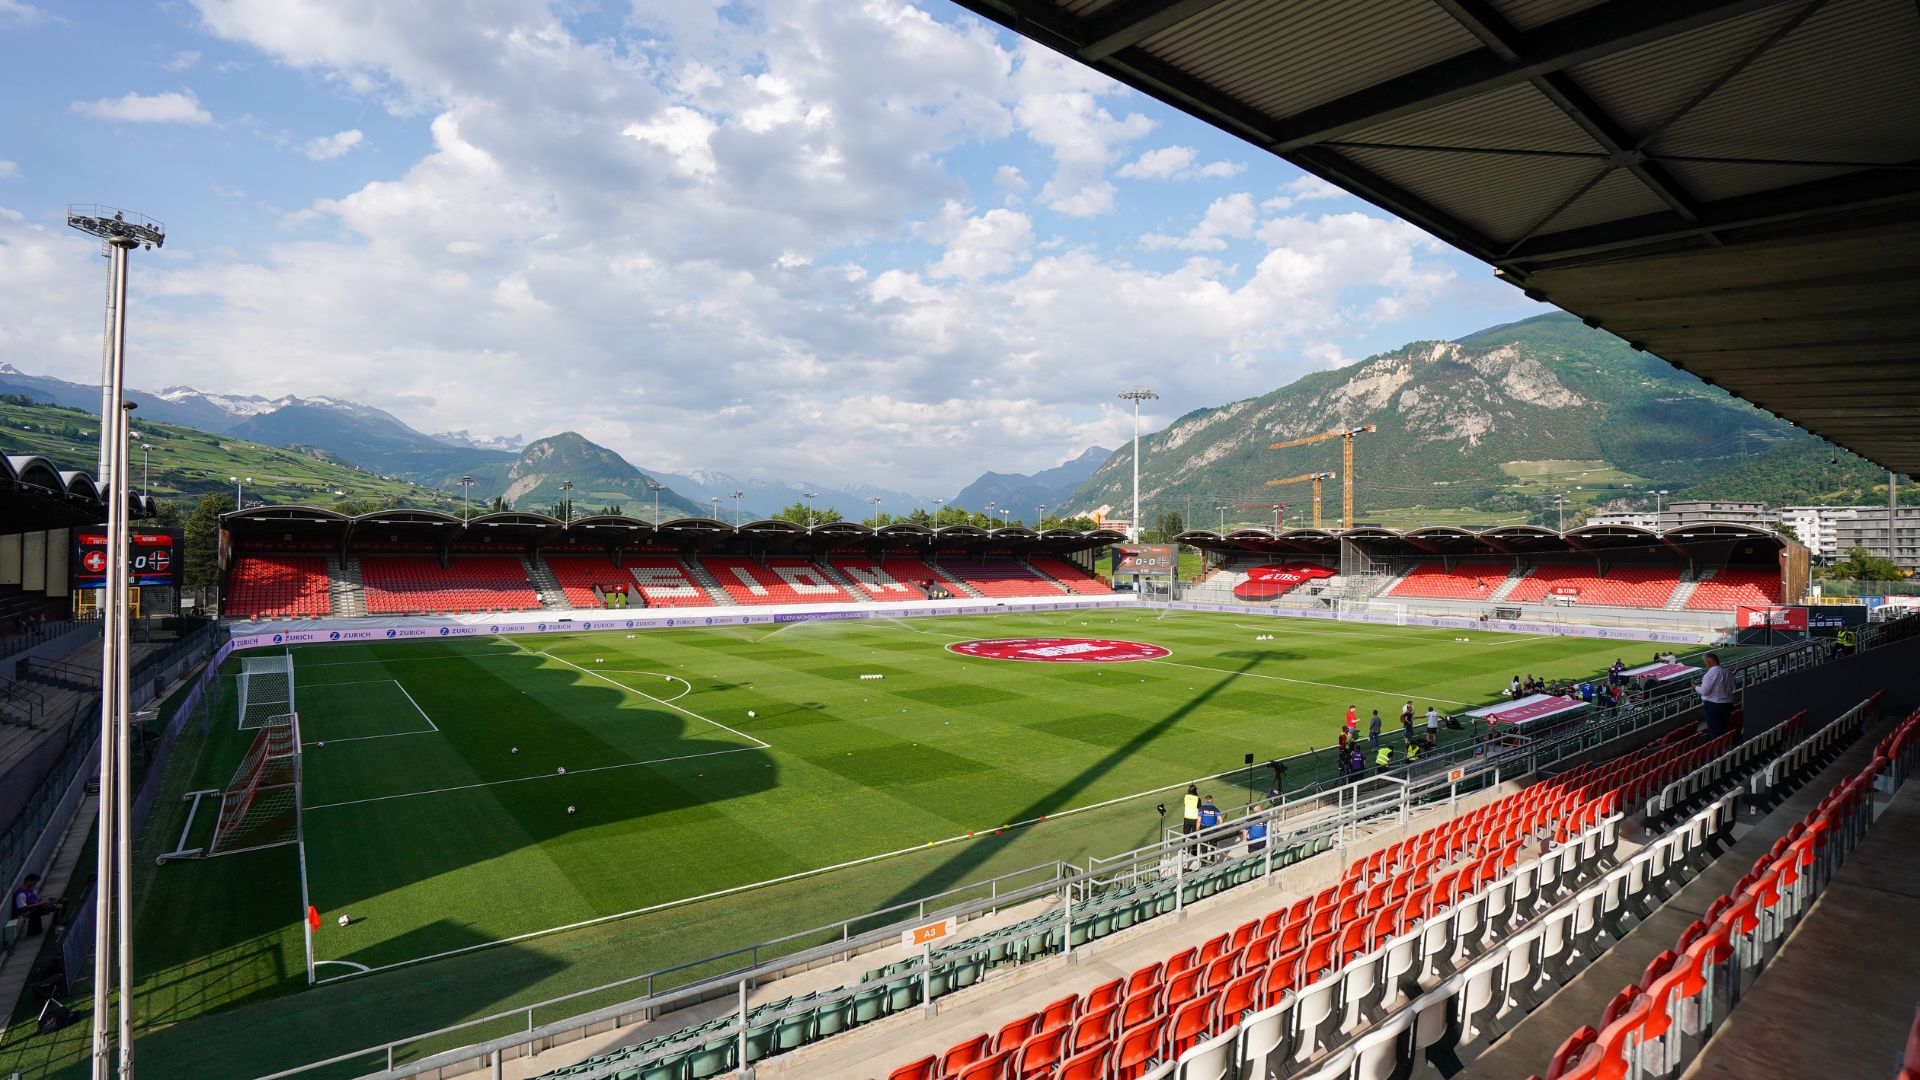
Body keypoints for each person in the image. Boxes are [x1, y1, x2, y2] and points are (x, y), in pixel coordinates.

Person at [1696, 652, 1734, 738]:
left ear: (1708, 662)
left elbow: (1704, 691)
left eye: (1704, 661)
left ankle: (1719, 750)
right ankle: (1725, 747)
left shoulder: (1710, 674)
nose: (1704, 664)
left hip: (1713, 706)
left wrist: (1695, 687)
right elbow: (1731, 688)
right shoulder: (1728, 672)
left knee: (1715, 731)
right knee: (1724, 728)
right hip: (1727, 704)